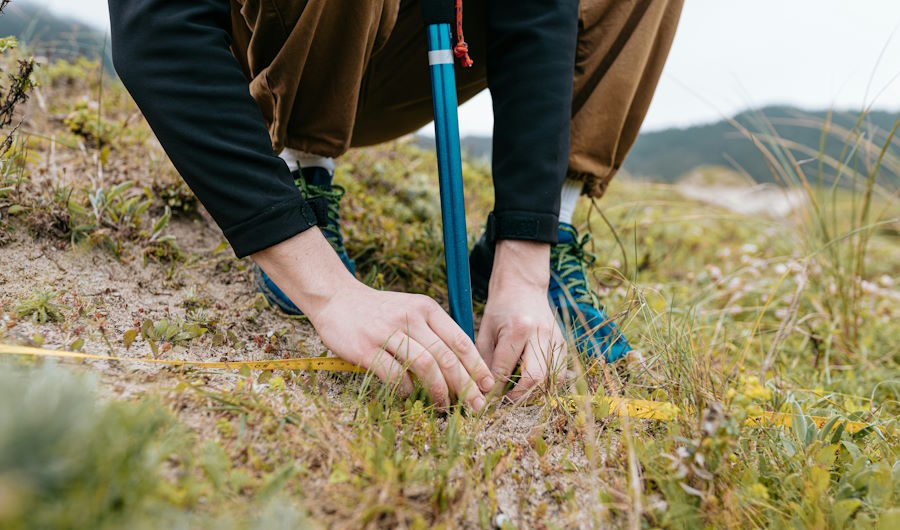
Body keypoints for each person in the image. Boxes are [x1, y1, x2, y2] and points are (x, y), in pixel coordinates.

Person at [107, 0, 683, 412]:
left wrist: (526, 253)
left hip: (424, 45)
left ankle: (547, 232)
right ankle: (301, 172)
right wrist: (331, 293)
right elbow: (155, 25)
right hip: (278, 40)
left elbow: (538, 14)